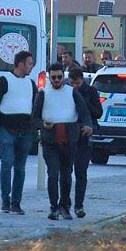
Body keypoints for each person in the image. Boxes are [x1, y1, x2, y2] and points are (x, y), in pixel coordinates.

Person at [32, 62, 93, 221]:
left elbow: (84, 113)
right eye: (54, 77)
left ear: (63, 76)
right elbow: (34, 118)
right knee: (52, 174)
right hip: (50, 141)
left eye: (59, 77)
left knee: (66, 175)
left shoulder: (72, 92)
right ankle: (54, 207)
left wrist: (87, 126)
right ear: (49, 77)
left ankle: (65, 206)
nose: (57, 80)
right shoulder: (43, 94)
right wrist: (42, 125)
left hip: (69, 139)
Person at [0, 50, 37, 215]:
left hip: (25, 131)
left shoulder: (31, 83)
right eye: (29, 63)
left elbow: (34, 105)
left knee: (20, 167)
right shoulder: (4, 81)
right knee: (7, 164)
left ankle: (16, 202)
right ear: (20, 64)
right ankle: (5, 200)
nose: (31, 67)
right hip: (6, 129)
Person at [69, 67, 103, 218]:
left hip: (85, 135)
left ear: (82, 80)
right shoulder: (66, 91)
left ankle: (79, 205)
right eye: (72, 83)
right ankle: (65, 204)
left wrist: (83, 103)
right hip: (69, 135)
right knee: (65, 172)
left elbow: (98, 112)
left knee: (81, 171)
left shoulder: (91, 91)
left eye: (77, 83)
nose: (75, 86)